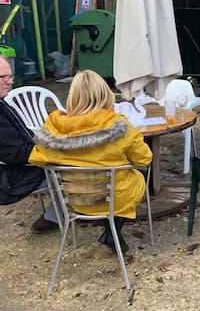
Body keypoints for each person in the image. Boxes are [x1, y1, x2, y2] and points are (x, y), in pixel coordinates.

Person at [28, 70, 152, 253]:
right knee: (138, 177)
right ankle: (113, 231)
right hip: (113, 198)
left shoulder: (52, 129)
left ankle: (111, 232)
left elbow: (36, 159)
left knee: (117, 184)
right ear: (105, 94)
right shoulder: (120, 126)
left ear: (72, 97)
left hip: (74, 201)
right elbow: (144, 158)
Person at [0, 56, 61, 233]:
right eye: (3, 77)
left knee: (70, 160)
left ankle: (56, 215)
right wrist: (55, 151)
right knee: (71, 168)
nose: (9, 82)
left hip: (19, 165)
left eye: (10, 76)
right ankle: (57, 217)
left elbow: (25, 136)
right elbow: (17, 153)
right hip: (9, 179)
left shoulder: (2, 103)